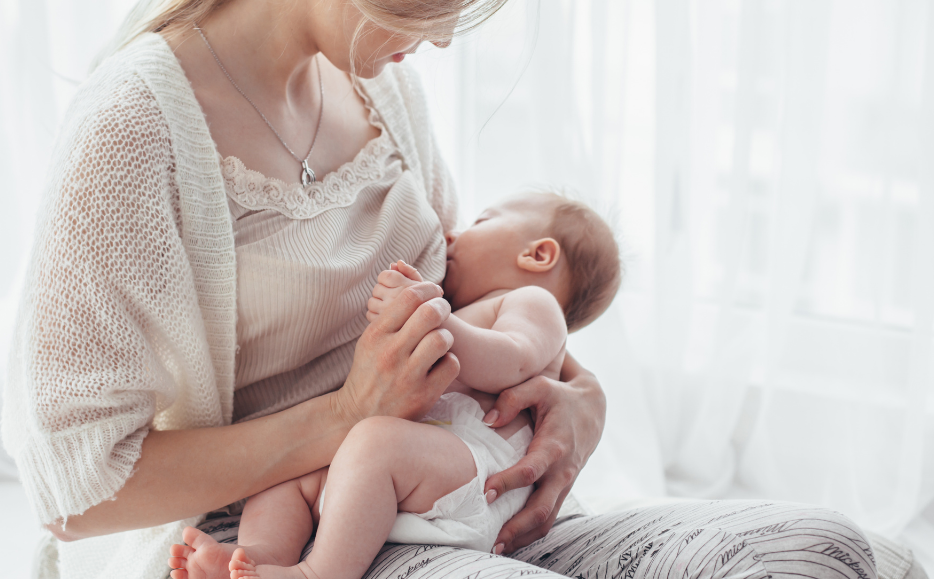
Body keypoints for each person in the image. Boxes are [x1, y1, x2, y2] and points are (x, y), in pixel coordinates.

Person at [2, 0, 879, 577]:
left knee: (824, 549)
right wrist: (345, 419)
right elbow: (77, 496)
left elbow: (478, 297)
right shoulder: (133, 133)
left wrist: (579, 398)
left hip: (452, 501)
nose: (446, 35)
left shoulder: (379, 84)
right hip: (275, 539)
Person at [167, 192, 620, 579]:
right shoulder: (475, 309)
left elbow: (511, 360)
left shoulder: (534, 304)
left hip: (482, 474)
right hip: (421, 472)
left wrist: (434, 318)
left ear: (538, 254)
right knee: (286, 474)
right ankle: (262, 556)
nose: (451, 236)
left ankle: (318, 572)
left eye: (481, 221)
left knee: (374, 442)